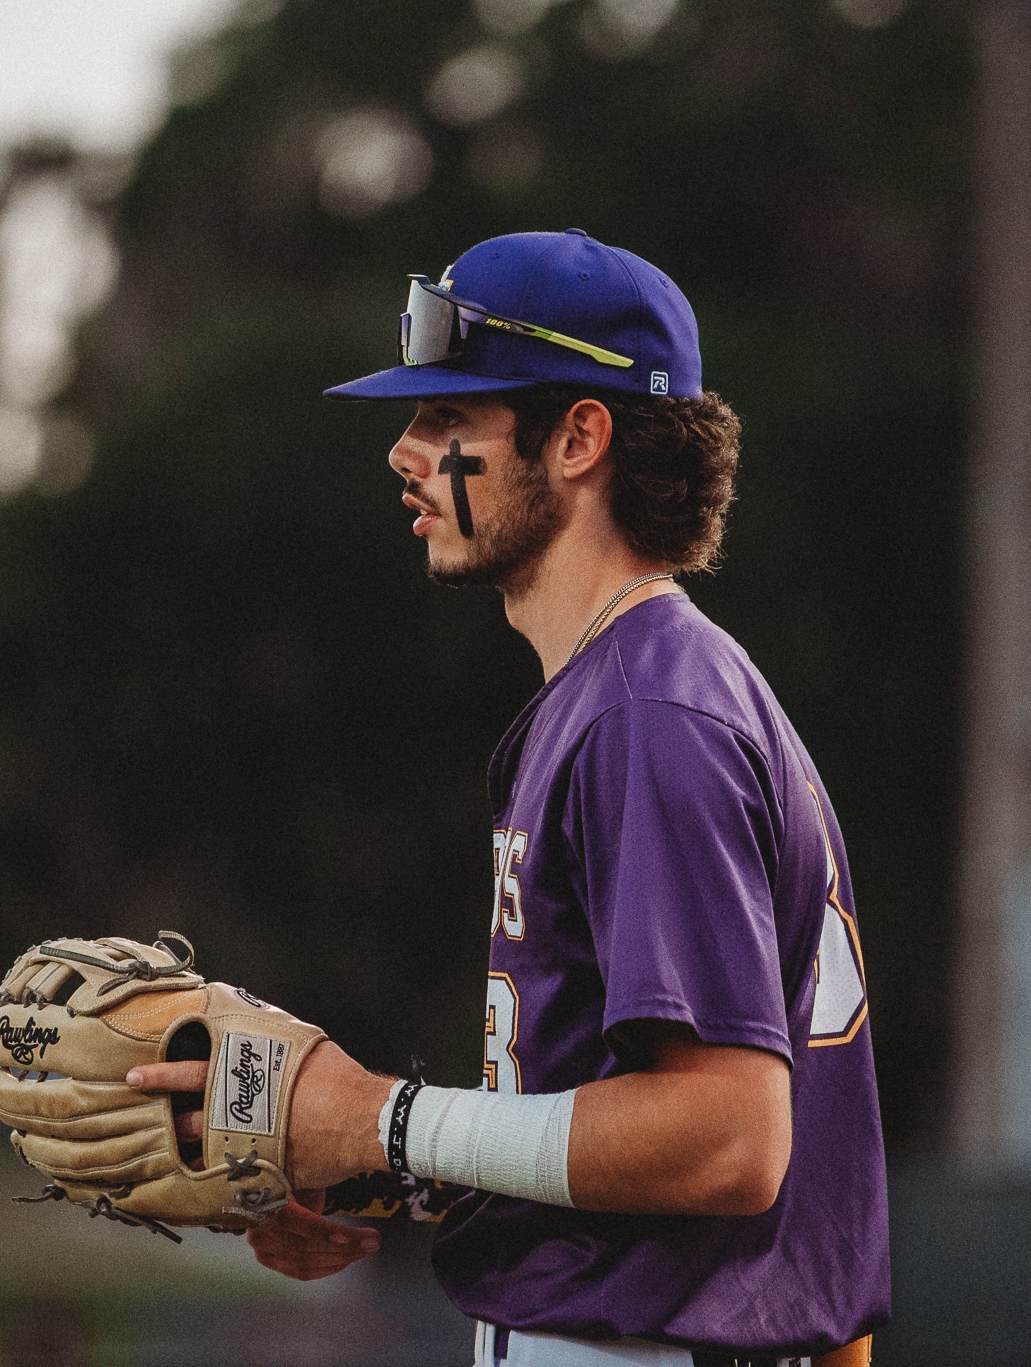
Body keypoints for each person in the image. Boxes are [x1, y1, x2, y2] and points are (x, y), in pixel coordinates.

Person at [128, 230, 889, 1367]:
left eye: (449, 420)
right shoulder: (631, 689)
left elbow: (729, 1139)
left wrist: (376, 1115)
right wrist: (371, 1166)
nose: (404, 451)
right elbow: (615, 1140)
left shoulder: (647, 713)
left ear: (580, 436)